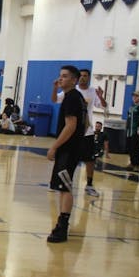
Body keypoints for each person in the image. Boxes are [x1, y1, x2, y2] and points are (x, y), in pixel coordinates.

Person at [45, 65, 86, 243]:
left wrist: (54, 146)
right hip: (71, 148)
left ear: (74, 80)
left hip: (68, 150)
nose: (60, 78)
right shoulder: (75, 97)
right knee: (63, 187)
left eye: (65, 76)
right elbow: (85, 123)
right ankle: (61, 224)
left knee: (65, 187)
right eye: (60, 75)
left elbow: (71, 126)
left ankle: (62, 227)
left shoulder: (72, 98)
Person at [51, 68, 108, 196]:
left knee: (90, 159)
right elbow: (55, 100)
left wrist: (101, 97)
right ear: (76, 78)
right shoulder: (71, 91)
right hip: (73, 133)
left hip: (87, 131)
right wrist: (55, 88)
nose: (83, 77)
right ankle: (59, 181)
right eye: (81, 75)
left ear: (89, 77)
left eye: (85, 76)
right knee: (64, 157)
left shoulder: (92, 91)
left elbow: (103, 106)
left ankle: (89, 184)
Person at [125, 91, 139, 172]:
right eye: (133, 96)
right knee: (130, 147)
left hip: (136, 130)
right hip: (130, 130)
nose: (134, 97)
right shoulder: (132, 106)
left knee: (135, 147)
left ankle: (137, 164)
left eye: (136, 96)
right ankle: (132, 162)